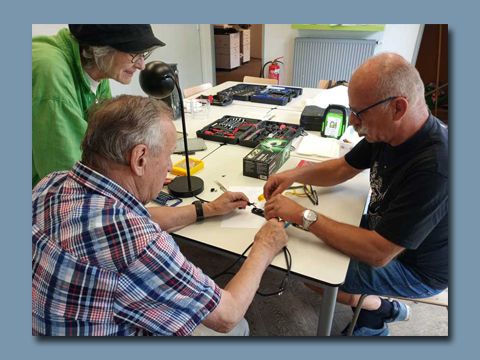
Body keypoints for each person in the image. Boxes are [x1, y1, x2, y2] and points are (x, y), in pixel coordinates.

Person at [32, 95, 288, 336]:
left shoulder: (51, 184)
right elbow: (227, 314)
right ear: (140, 159)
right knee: (238, 328)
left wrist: (206, 209)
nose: (169, 166)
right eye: (168, 155)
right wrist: (265, 245)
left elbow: (139, 217)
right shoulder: (137, 243)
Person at [263, 52, 448, 336]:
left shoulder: (436, 167)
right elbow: (342, 167)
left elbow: (379, 253)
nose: (351, 122)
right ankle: (378, 307)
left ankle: (372, 319)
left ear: (398, 108)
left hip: (415, 268)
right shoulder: (390, 132)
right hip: (386, 235)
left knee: (307, 264)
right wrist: (292, 175)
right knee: (312, 246)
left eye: (359, 113)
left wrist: (302, 215)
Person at [32, 24, 165, 187]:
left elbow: (105, 139)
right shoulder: (51, 72)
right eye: (134, 53)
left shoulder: (98, 68)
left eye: (143, 54)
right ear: (101, 47)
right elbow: (67, 180)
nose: (141, 65)